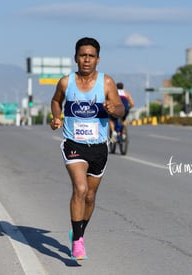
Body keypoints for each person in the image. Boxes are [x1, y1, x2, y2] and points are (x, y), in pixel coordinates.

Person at [50, 37, 124, 260]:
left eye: (91, 56)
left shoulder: (107, 83)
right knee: (80, 189)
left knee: (90, 197)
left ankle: (79, 231)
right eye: (83, 55)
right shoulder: (66, 82)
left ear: (98, 59)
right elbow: (56, 100)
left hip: (99, 147)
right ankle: (77, 242)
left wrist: (115, 108)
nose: (87, 60)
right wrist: (56, 116)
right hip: (73, 144)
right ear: (76, 58)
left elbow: (120, 108)